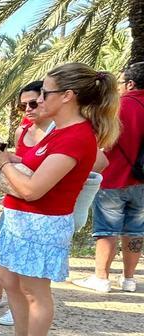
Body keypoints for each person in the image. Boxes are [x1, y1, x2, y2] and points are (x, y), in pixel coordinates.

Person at [0, 63, 119, 336]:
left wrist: (4, 164)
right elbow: (35, 162)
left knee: (34, 290)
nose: (39, 99)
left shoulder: (76, 137)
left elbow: (33, 189)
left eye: (45, 92)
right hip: (21, 221)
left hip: (41, 224)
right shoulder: (59, 132)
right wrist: (12, 158)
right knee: (8, 279)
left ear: (68, 96)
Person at [0, 81, 50, 327]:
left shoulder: (56, 134)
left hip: (38, 207)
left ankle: (21, 310)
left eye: (33, 103)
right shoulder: (22, 132)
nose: (27, 109)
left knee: (26, 268)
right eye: (22, 105)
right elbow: (14, 166)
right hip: (13, 202)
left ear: (46, 100)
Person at [73, 61, 144, 293]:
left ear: (131, 84)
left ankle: (101, 278)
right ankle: (129, 279)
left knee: (107, 229)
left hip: (114, 178)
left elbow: (100, 139)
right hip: (142, 183)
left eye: (122, 82)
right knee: (135, 230)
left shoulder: (119, 107)